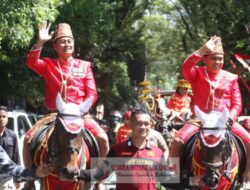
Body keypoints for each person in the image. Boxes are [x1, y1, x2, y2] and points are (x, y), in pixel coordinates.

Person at [170, 35, 250, 181]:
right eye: (213, 58)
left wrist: (230, 119)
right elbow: (185, 67)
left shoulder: (231, 78)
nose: (218, 62)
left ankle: (245, 177)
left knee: (249, 141)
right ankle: (176, 177)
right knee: (177, 142)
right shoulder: (197, 73)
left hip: (224, 122)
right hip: (199, 120)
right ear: (205, 59)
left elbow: (237, 104)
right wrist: (201, 50)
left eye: (220, 58)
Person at [25, 21, 109, 157]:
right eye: (63, 42)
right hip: (54, 115)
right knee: (27, 139)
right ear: (55, 46)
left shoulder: (84, 66)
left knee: (103, 139)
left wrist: (80, 109)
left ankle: (99, 175)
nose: (67, 45)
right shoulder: (48, 64)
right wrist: (40, 42)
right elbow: (31, 62)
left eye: (69, 41)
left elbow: (92, 93)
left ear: (74, 44)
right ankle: (30, 176)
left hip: (79, 115)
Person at [78, 109, 166, 190]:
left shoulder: (158, 152)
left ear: (150, 125)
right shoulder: (117, 150)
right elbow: (100, 174)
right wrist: (77, 173)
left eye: (146, 124)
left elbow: (165, 178)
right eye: (139, 123)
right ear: (130, 124)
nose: (143, 127)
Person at [0, 106, 21, 189]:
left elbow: (16, 158)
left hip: (8, 178)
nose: (1, 119)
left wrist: (18, 179)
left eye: (4, 116)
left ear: (7, 118)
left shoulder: (12, 135)